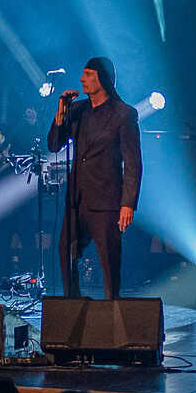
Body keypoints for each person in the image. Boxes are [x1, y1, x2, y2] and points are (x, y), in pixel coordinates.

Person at [47, 57, 141, 299]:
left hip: (107, 199)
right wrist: (61, 111)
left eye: (88, 74)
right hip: (77, 198)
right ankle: (72, 304)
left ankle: (112, 310)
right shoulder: (78, 110)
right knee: (65, 252)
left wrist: (127, 203)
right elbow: (54, 144)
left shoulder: (124, 114)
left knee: (108, 260)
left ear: (102, 78)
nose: (82, 79)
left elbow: (132, 163)